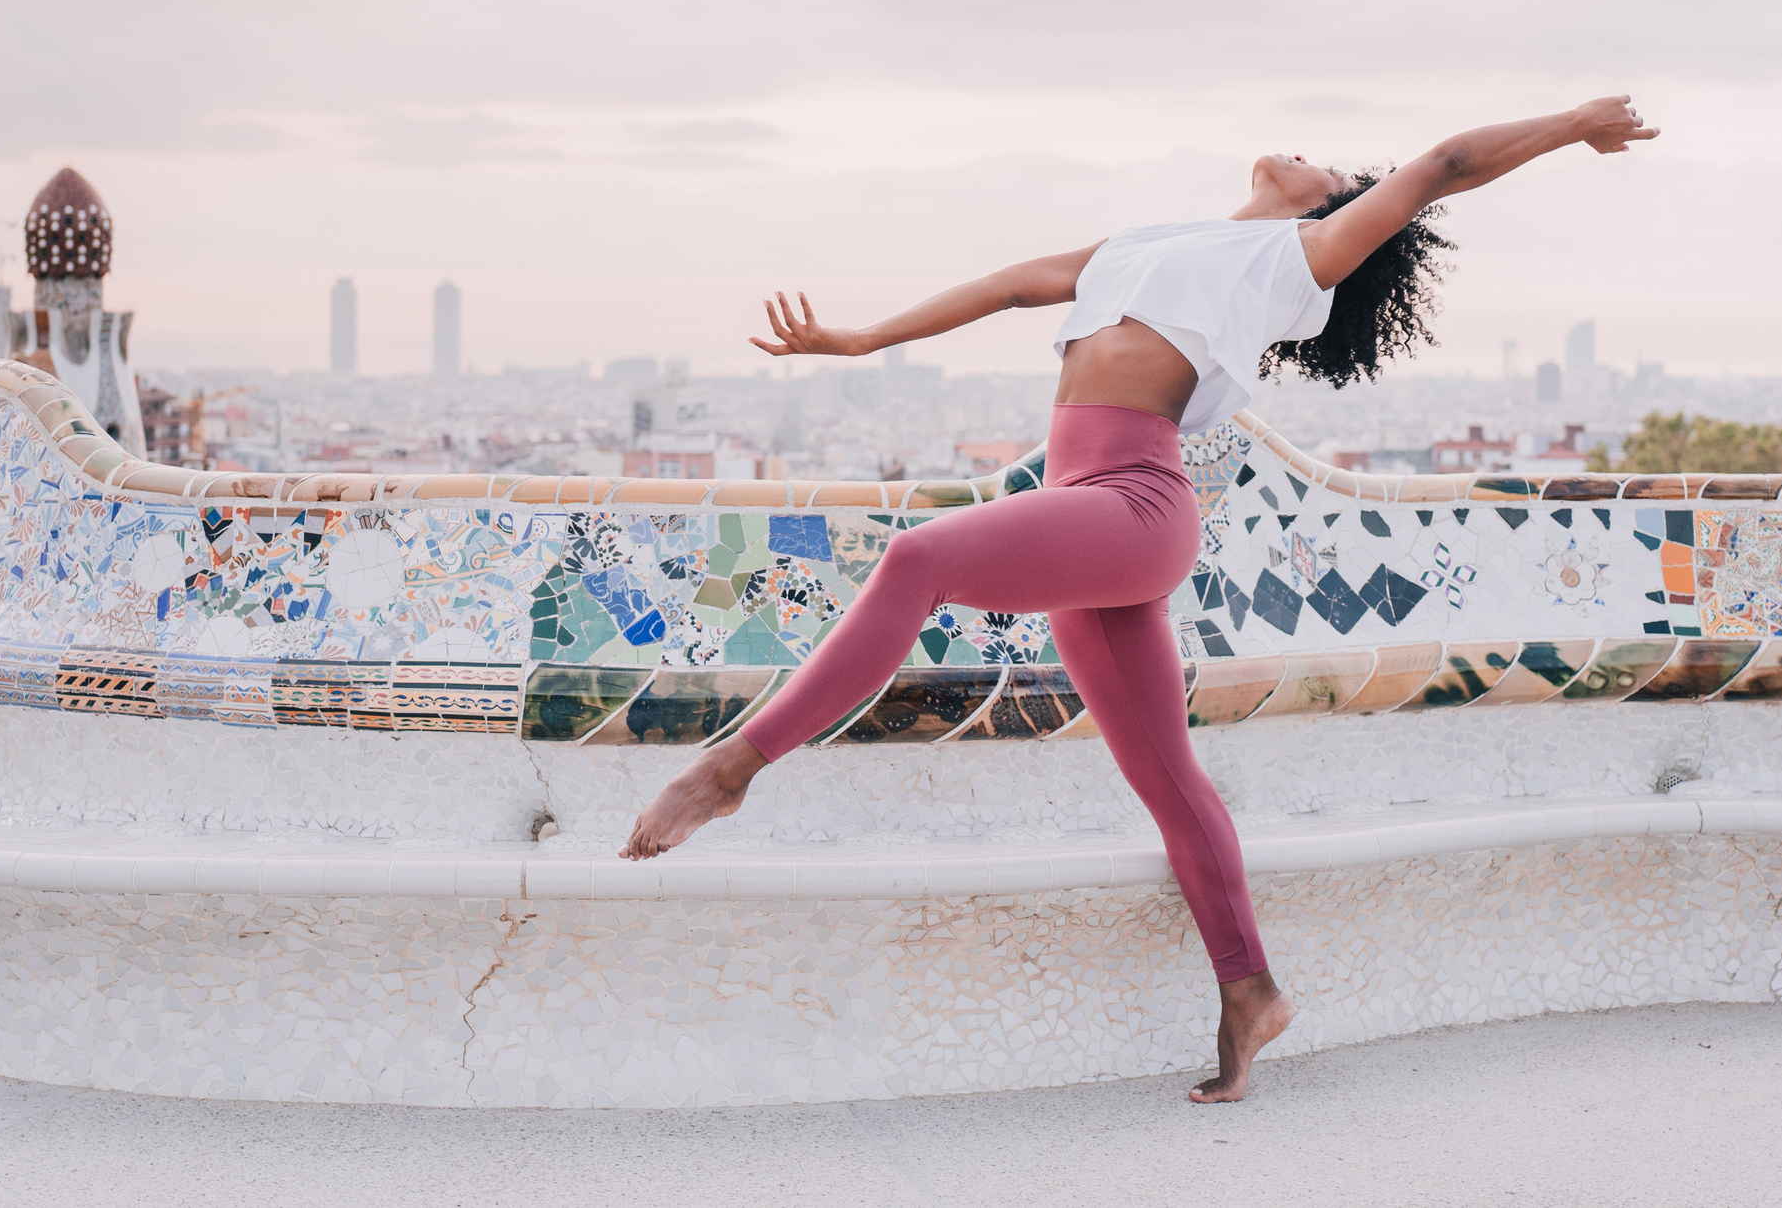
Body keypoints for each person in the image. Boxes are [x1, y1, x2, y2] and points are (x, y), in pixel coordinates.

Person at [626, 95, 1661, 1100]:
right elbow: (1010, 283)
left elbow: (1439, 169)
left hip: (1135, 502)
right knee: (1166, 777)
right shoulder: (1146, 241)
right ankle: (1251, 991)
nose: (1297, 148)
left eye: (1330, 164)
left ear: (1334, 203)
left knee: (916, 560)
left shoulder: (1294, 259)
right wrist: (858, 341)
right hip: (1084, 505)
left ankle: (732, 769)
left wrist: (1574, 125)